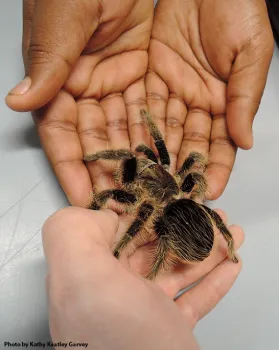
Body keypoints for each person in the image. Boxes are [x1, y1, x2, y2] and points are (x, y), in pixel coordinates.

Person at [4, 0, 273, 348]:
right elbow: (190, 166)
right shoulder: (179, 176)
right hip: (181, 203)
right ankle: (219, 245)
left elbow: (138, 182)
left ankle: (157, 256)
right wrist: (174, 163)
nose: (146, 158)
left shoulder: (145, 201)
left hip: (176, 213)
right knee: (174, 191)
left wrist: (103, 186)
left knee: (143, 209)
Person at [43, 206, 244, 349]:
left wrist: (121, 245)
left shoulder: (148, 211)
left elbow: (134, 223)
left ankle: (153, 276)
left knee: (155, 228)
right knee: (206, 213)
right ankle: (228, 244)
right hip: (191, 220)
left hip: (187, 235)